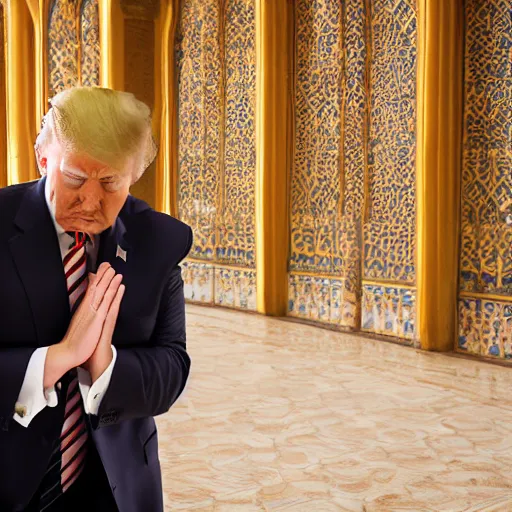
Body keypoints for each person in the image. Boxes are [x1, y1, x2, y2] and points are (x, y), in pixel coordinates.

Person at [0, 87, 193, 511]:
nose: (90, 200)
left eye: (110, 182)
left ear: (133, 176)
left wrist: (103, 364)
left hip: (116, 487)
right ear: (44, 159)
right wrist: (61, 356)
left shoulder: (158, 241)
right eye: (74, 178)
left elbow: (172, 367)